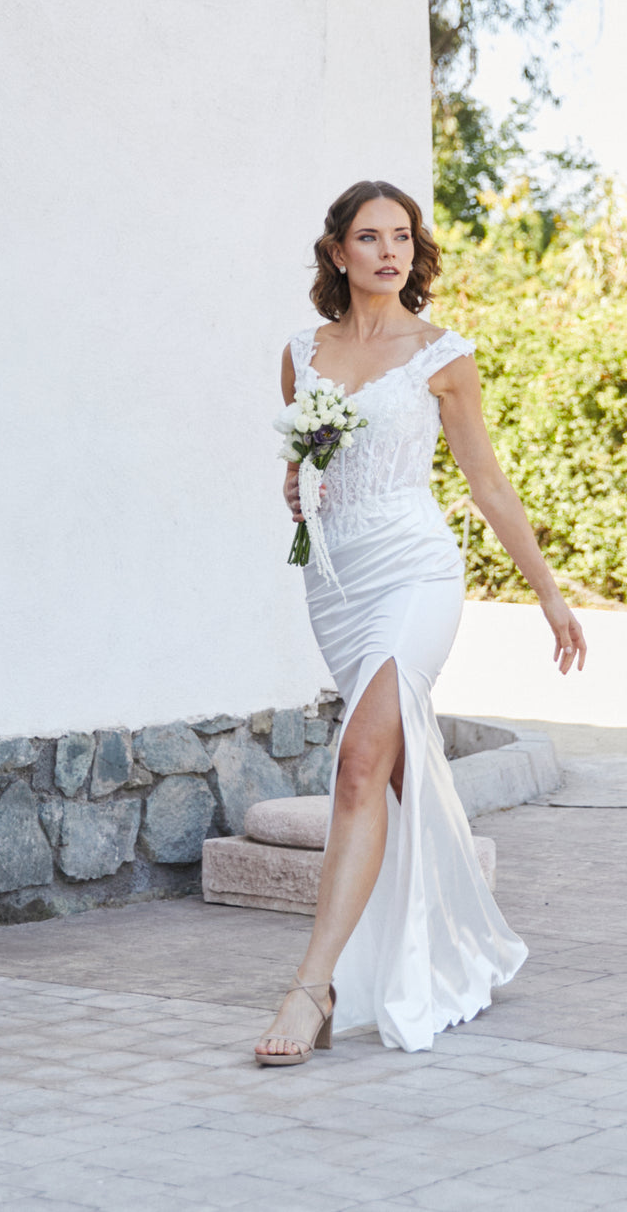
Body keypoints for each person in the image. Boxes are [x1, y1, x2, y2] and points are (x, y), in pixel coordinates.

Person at [255, 180, 586, 1065]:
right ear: (338, 252)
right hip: (337, 581)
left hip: (416, 568)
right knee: (388, 777)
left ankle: (312, 986)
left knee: (362, 757)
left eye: (402, 236)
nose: (389, 252)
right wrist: (299, 492)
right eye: (369, 237)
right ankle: (452, 934)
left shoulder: (443, 354)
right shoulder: (301, 352)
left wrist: (548, 590)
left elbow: (487, 485)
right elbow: (306, 473)